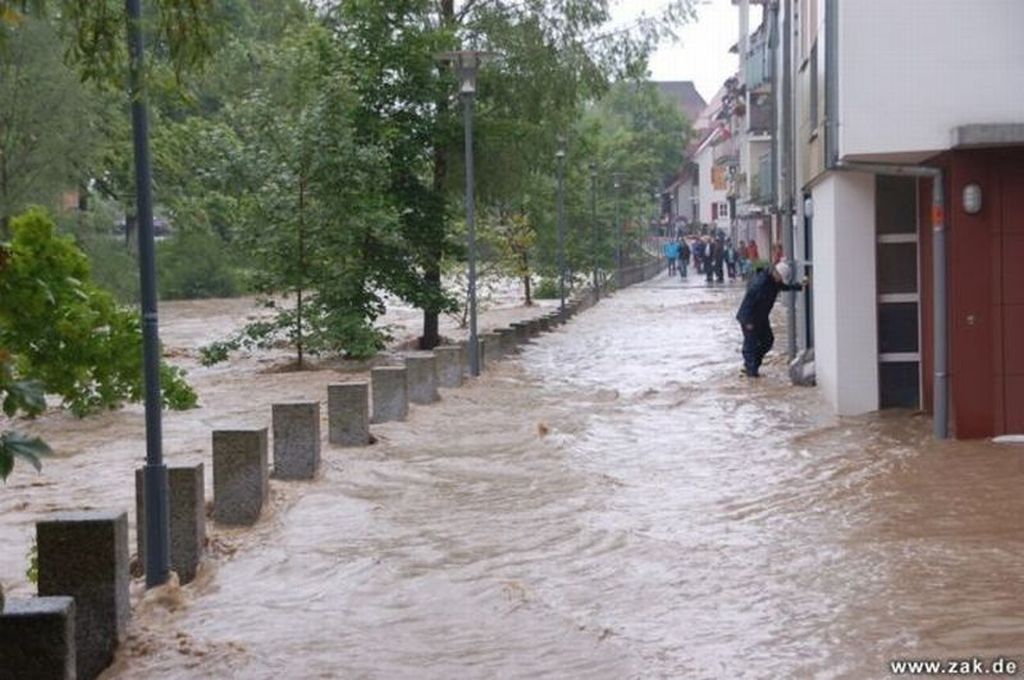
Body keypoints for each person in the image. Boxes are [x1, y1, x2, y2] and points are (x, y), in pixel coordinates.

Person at [735, 261, 809, 377]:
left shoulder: (774, 281)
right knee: (750, 345)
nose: (781, 280)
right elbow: (749, 300)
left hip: (761, 317)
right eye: (780, 278)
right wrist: (748, 321)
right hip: (749, 318)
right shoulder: (760, 283)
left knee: (767, 341)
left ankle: (751, 365)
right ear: (776, 273)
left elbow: (784, 287)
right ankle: (751, 374)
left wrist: (800, 286)